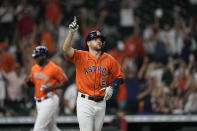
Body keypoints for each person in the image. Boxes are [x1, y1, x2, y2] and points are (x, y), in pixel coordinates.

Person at [62, 16, 124, 131]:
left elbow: (119, 77)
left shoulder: (109, 59)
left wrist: (112, 87)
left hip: (101, 103)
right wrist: (71, 33)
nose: (99, 41)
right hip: (85, 102)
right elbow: (66, 49)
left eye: (100, 39)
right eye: (95, 39)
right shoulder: (81, 56)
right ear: (88, 43)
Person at [27, 45, 68, 131]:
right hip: (38, 102)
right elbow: (31, 83)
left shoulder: (54, 68)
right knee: (52, 128)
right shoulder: (34, 68)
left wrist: (50, 88)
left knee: (38, 129)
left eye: (37, 56)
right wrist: (28, 82)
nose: (36, 59)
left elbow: (65, 82)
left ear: (44, 56)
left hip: (49, 100)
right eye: (35, 57)